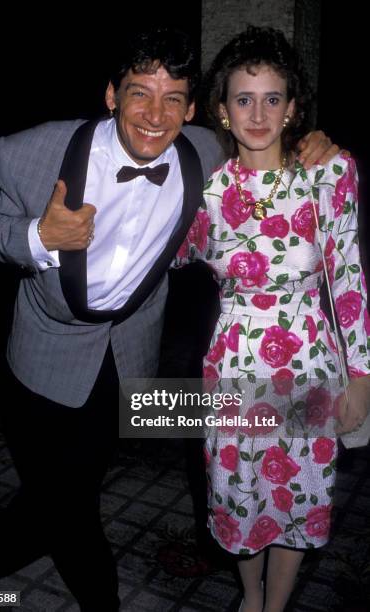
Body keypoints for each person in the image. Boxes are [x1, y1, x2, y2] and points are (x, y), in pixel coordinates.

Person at [0, 26, 339, 611]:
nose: (154, 115)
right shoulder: (29, 151)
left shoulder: (204, 154)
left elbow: (262, 148)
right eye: (139, 93)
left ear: (191, 110)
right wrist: (36, 236)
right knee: (70, 504)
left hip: (129, 355)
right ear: (111, 95)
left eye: (171, 100)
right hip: (42, 351)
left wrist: (313, 143)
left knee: (65, 487)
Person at [174, 25, 370, 612]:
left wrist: (362, 375)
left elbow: (350, 279)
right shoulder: (204, 190)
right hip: (234, 364)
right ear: (221, 111)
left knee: (298, 491)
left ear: (291, 109)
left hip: (311, 362)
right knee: (239, 495)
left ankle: (275, 605)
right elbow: (167, 254)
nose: (257, 113)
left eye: (272, 98)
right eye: (243, 98)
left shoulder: (329, 175)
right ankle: (249, 596)